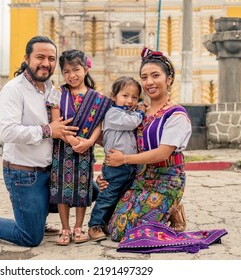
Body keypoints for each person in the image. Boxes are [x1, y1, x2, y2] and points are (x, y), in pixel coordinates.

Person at [0, 36, 79, 247]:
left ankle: (36, 216)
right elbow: (8, 132)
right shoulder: (13, 89)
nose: (46, 63)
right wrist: (49, 130)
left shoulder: (52, 88)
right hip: (24, 174)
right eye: (40, 57)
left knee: (90, 189)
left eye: (51, 58)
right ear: (26, 58)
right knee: (30, 238)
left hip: (50, 172)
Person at [103, 47, 192, 242]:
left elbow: (162, 153)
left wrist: (124, 159)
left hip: (167, 179)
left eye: (155, 75)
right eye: (144, 77)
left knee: (129, 232)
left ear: (168, 79)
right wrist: (109, 170)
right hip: (140, 177)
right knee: (113, 226)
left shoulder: (176, 114)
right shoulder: (138, 111)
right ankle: (168, 209)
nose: (149, 82)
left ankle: (173, 207)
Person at [47, 49, 112, 246]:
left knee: (82, 188)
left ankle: (78, 227)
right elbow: (56, 121)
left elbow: (99, 123)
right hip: (62, 149)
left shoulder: (97, 97)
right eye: (66, 71)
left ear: (85, 69)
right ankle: (65, 227)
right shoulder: (58, 93)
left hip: (85, 152)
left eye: (76, 70)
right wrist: (74, 142)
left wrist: (89, 142)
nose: (71, 75)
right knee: (61, 189)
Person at [87, 76, 145, 242]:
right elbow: (132, 123)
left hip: (129, 166)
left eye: (134, 97)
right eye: (125, 96)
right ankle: (94, 225)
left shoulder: (127, 113)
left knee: (121, 196)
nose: (130, 100)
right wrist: (141, 110)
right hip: (115, 166)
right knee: (108, 196)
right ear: (114, 96)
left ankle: (107, 223)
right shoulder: (113, 113)